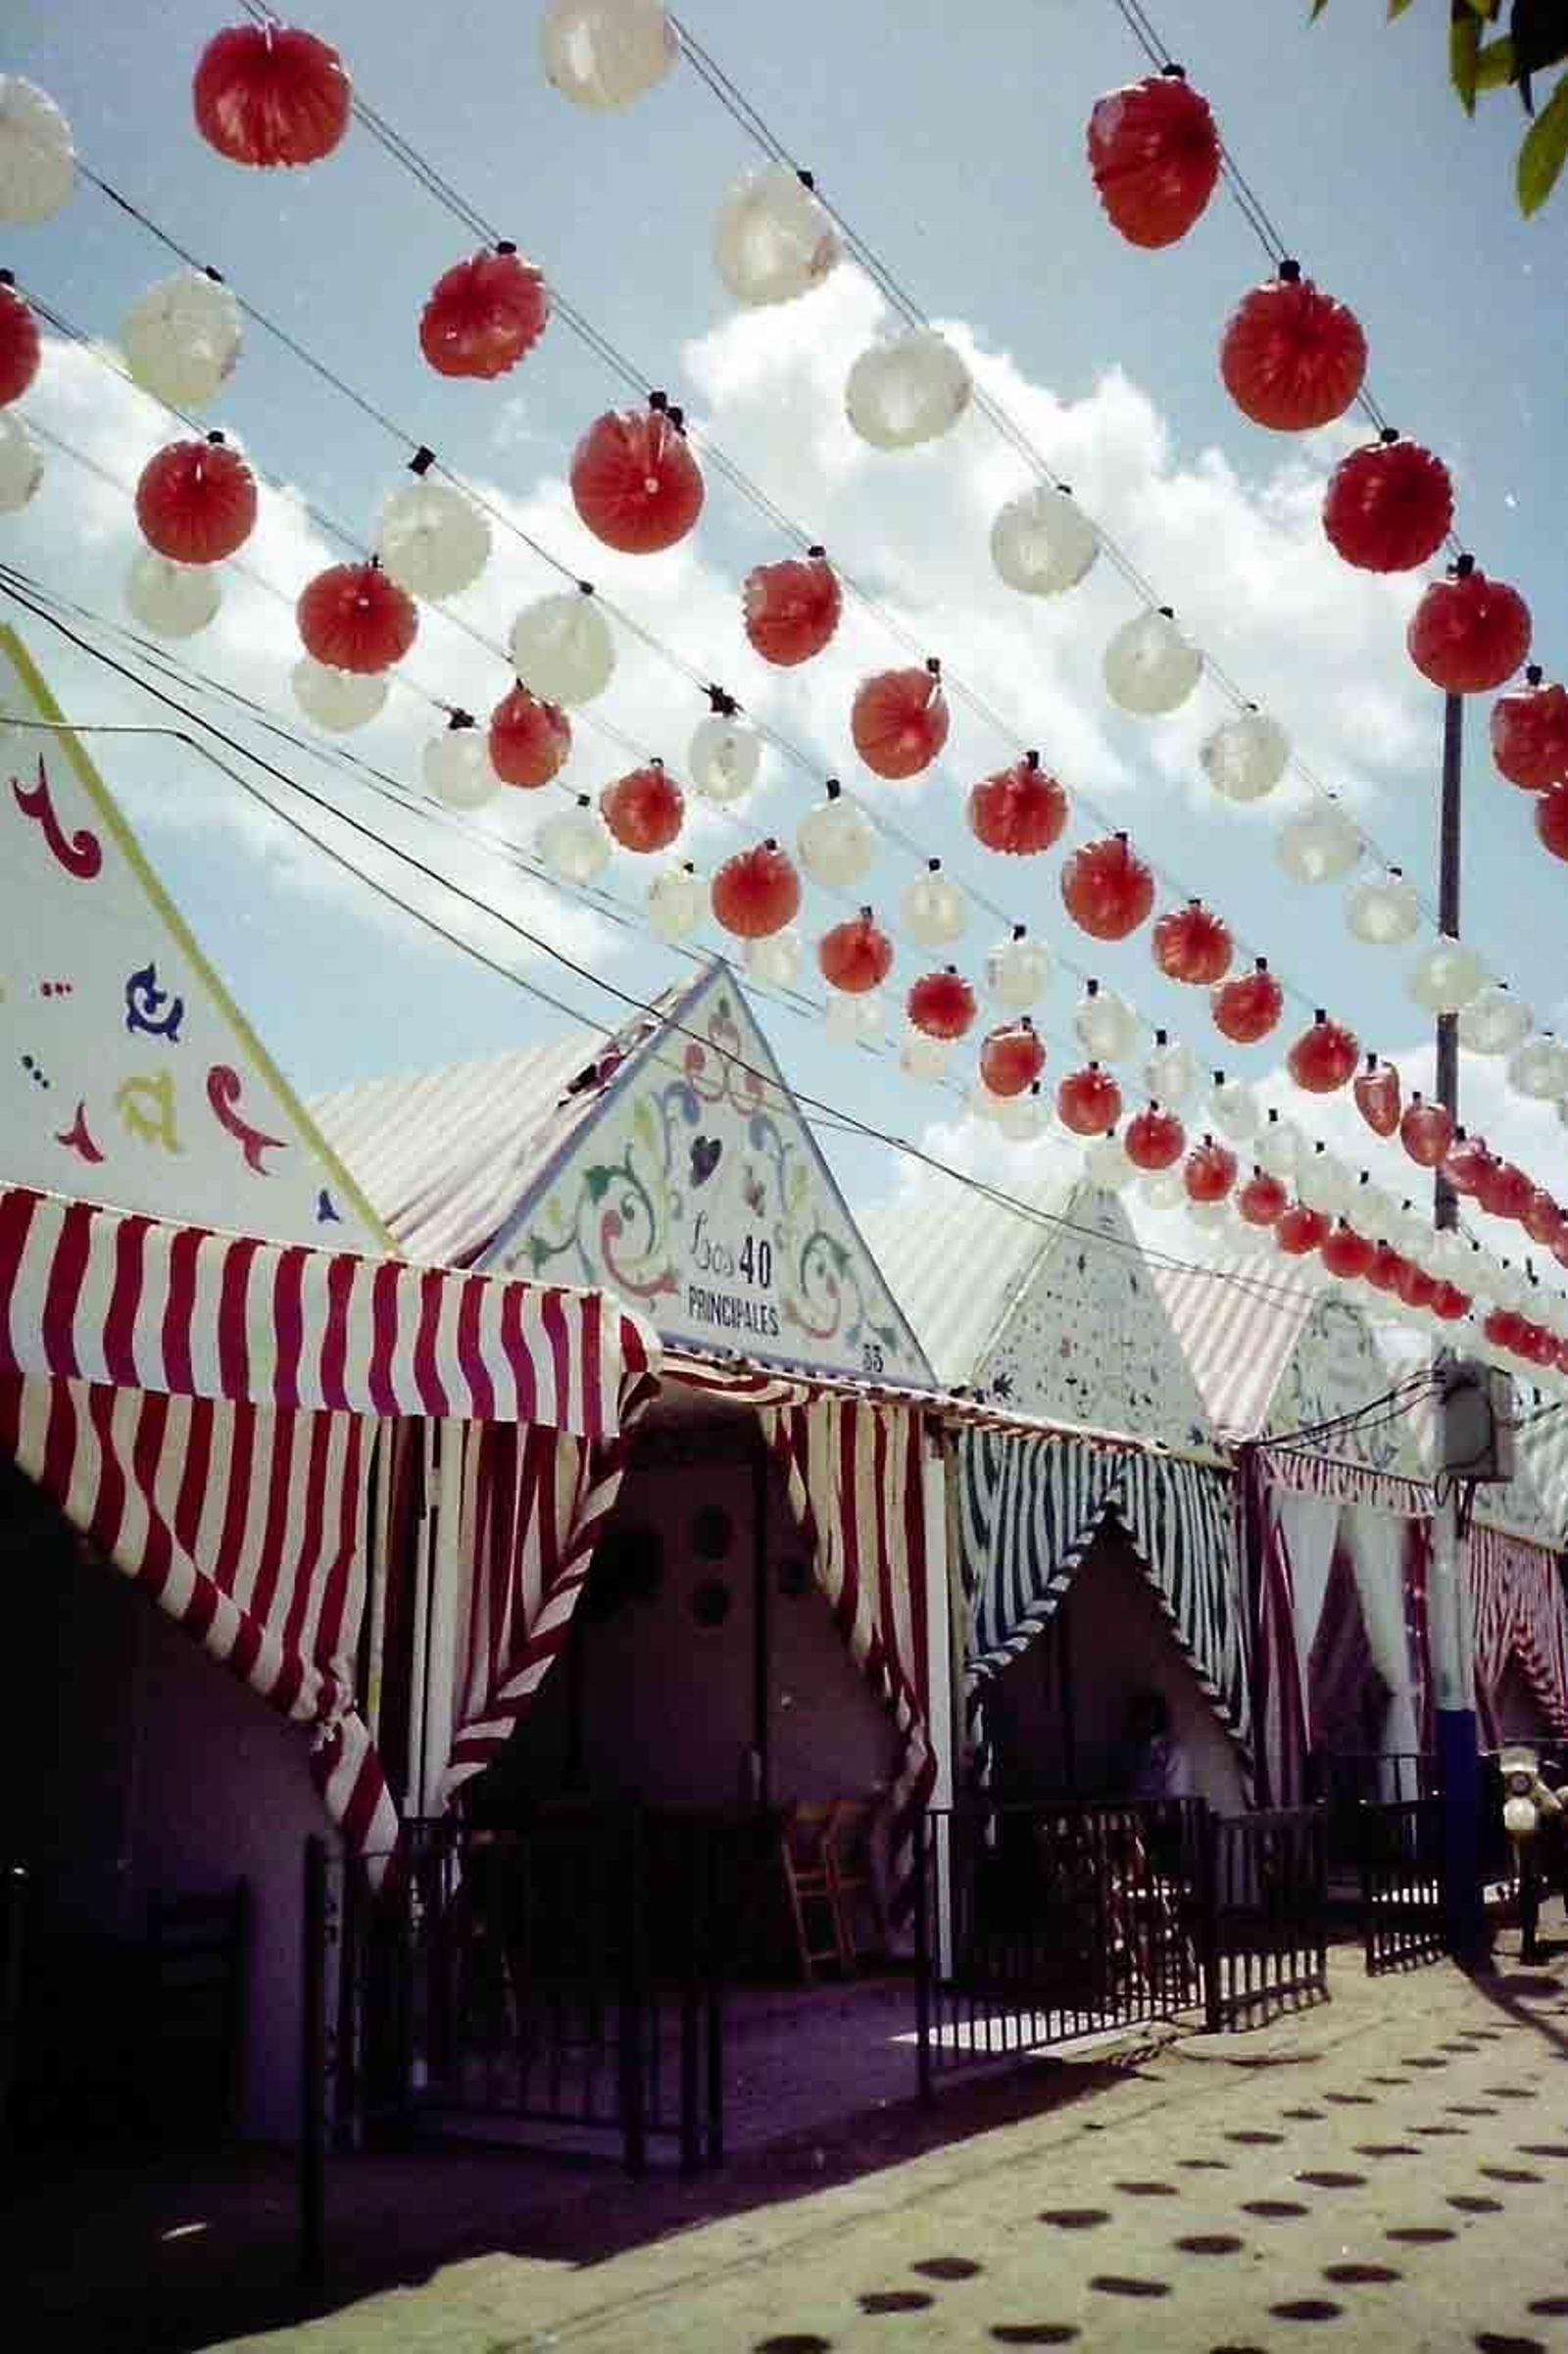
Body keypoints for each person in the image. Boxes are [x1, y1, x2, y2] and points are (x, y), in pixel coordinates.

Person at [1116, 1691, 1194, 1803]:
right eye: (1134, 1718)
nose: (1135, 1724)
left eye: (1141, 1718)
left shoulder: (1173, 1751)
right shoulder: (1135, 1748)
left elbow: (1175, 1797)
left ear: (1155, 1719)